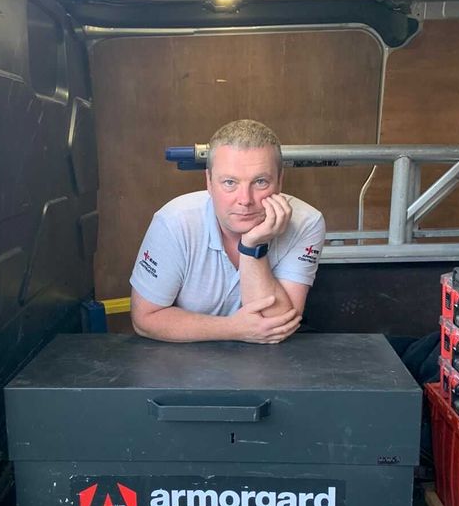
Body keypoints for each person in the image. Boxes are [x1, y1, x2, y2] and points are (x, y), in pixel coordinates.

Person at [130, 119, 326, 344]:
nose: (245, 200)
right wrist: (233, 329)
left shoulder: (306, 222)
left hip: (267, 363)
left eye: (260, 181)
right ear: (209, 182)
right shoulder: (174, 222)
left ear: (280, 181)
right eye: (230, 183)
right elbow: (144, 318)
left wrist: (253, 246)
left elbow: (277, 325)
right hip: (184, 361)